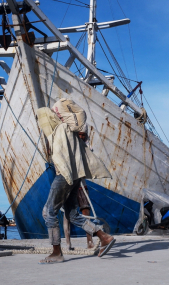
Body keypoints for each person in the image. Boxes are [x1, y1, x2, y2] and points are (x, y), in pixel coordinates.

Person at [38, 101, 116, 264]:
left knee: (49, 211)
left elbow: (61, 158)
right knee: (72, 214)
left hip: (64, 176)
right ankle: (103, 237)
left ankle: (56, 252)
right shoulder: (69, 130)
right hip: (76, 177)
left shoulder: (58, 131)